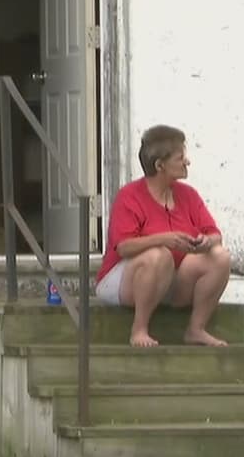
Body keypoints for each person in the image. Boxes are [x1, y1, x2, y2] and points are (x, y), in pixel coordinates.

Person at [95, 125, 232, 347]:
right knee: (158, 255)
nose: (187, 162)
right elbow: (123, 247)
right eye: (180, 158)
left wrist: (208, 242)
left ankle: (196, 329)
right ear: (160, 165)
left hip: (171, 281)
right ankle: (139, 330)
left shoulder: (188, 195)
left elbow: (214, 233)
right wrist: (163, 239)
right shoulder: (129, 196)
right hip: (124, 281)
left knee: (220, 256)